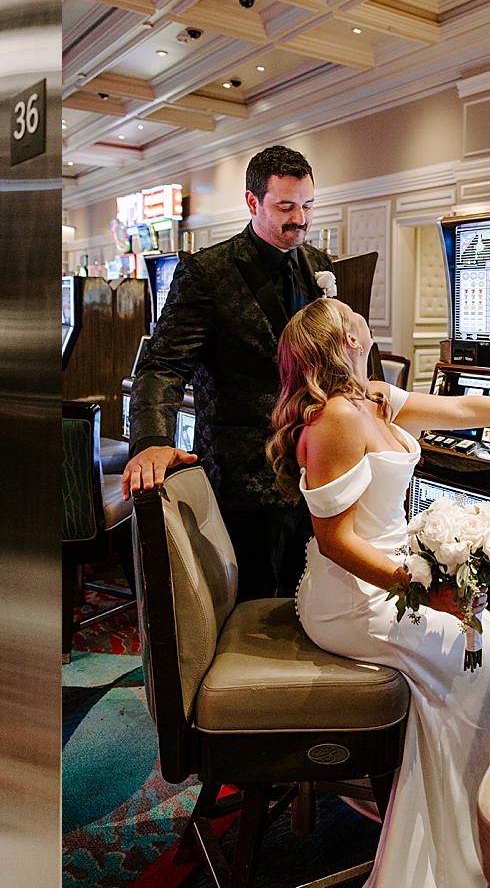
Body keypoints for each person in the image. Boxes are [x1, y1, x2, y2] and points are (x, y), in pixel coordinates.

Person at [266, 298, 490, 888]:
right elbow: (337, 542)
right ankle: (476, 838)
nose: (364, 317)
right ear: (344, 339)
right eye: (352, 315)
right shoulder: (335, 420)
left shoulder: (371, 397)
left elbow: (461, 407)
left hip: (392, 581)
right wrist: (423, 589)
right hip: (355, 600)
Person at [121, 145, 338, 599]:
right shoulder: (207, 273)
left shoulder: (318, 266)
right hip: (242, 476)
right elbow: (161, 364)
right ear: (252, 202)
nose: (300, 218)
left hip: (314, 466)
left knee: (311, 593)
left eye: (307, 205)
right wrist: (153, 442)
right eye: (286, 206)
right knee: (250, 601)